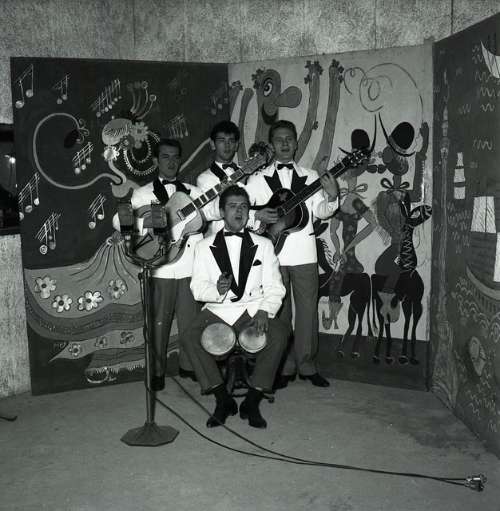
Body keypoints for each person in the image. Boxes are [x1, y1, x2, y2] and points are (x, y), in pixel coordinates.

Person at [244, 120, 340, 388]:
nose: (285, 143)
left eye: (289, 139)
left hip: (304, 254)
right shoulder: (257, 179)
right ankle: (283, 367)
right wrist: (256, 216)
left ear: (296, 143)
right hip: (272, 255)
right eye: (279, 139)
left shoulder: (310, 176)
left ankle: (307, 365)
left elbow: (321, 211)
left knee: (308, 312)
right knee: (279, 314)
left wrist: (332, 197)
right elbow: (242, 210)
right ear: (272, 145)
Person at [183, 185, 287, 428]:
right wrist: (217, 290)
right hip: (218, 310)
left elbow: (275, 286)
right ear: (222, 212)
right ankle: (223, 400)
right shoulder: (203, 246)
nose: (239, 211)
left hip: (253, 309)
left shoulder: (264, 244)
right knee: (189, 337)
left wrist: (264, 310)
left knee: (280, 334)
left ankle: (252, 401)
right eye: (232, 206)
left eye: (243, 206)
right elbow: (197, 288)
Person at [115, 138, 202, 390]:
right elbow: (118, 220)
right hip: (159, 265)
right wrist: (150, 224)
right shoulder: (142, 193)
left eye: (175, 157)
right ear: (155, 161)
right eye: (165, 156)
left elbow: (213, 213)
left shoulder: (193, 191)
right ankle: (156, 373)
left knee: (190, 322)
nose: (171, 162)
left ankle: (189, 366)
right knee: (157, 326)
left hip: (190, 265)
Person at [197, 120, 260, 236]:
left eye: (231, 141)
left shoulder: (247, 171)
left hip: (252, 235)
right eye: (222, 140)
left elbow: (255, 203)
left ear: (236, 145)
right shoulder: (205, 178)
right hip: (222, 238)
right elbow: (207, 213)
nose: (227, 145)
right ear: (212, 144)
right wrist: (224, 196)